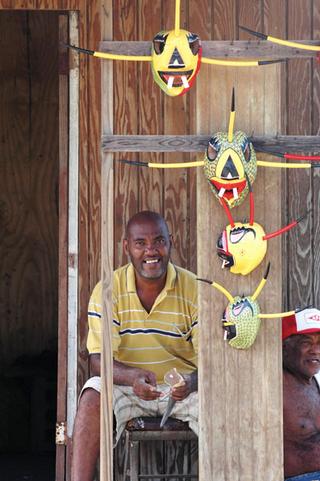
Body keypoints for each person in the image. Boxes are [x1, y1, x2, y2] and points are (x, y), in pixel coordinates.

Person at [71, 210, 198, 481]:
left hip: (185, 391)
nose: (151, 251)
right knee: (93, 394)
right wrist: (132, 377)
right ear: (126, 246)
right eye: (141, 243)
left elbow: (215, 359)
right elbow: (97, 361)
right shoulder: (108, 290)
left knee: (225, 400)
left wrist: (193, 381)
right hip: (129, 387)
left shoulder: (193, 287)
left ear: (170, 242)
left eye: (158, 241)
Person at [283, 307, 320, 481]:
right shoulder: (273, 381)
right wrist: (190, 382)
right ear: (285, 346)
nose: (316, 350)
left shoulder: (316, 379)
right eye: (306, 343)